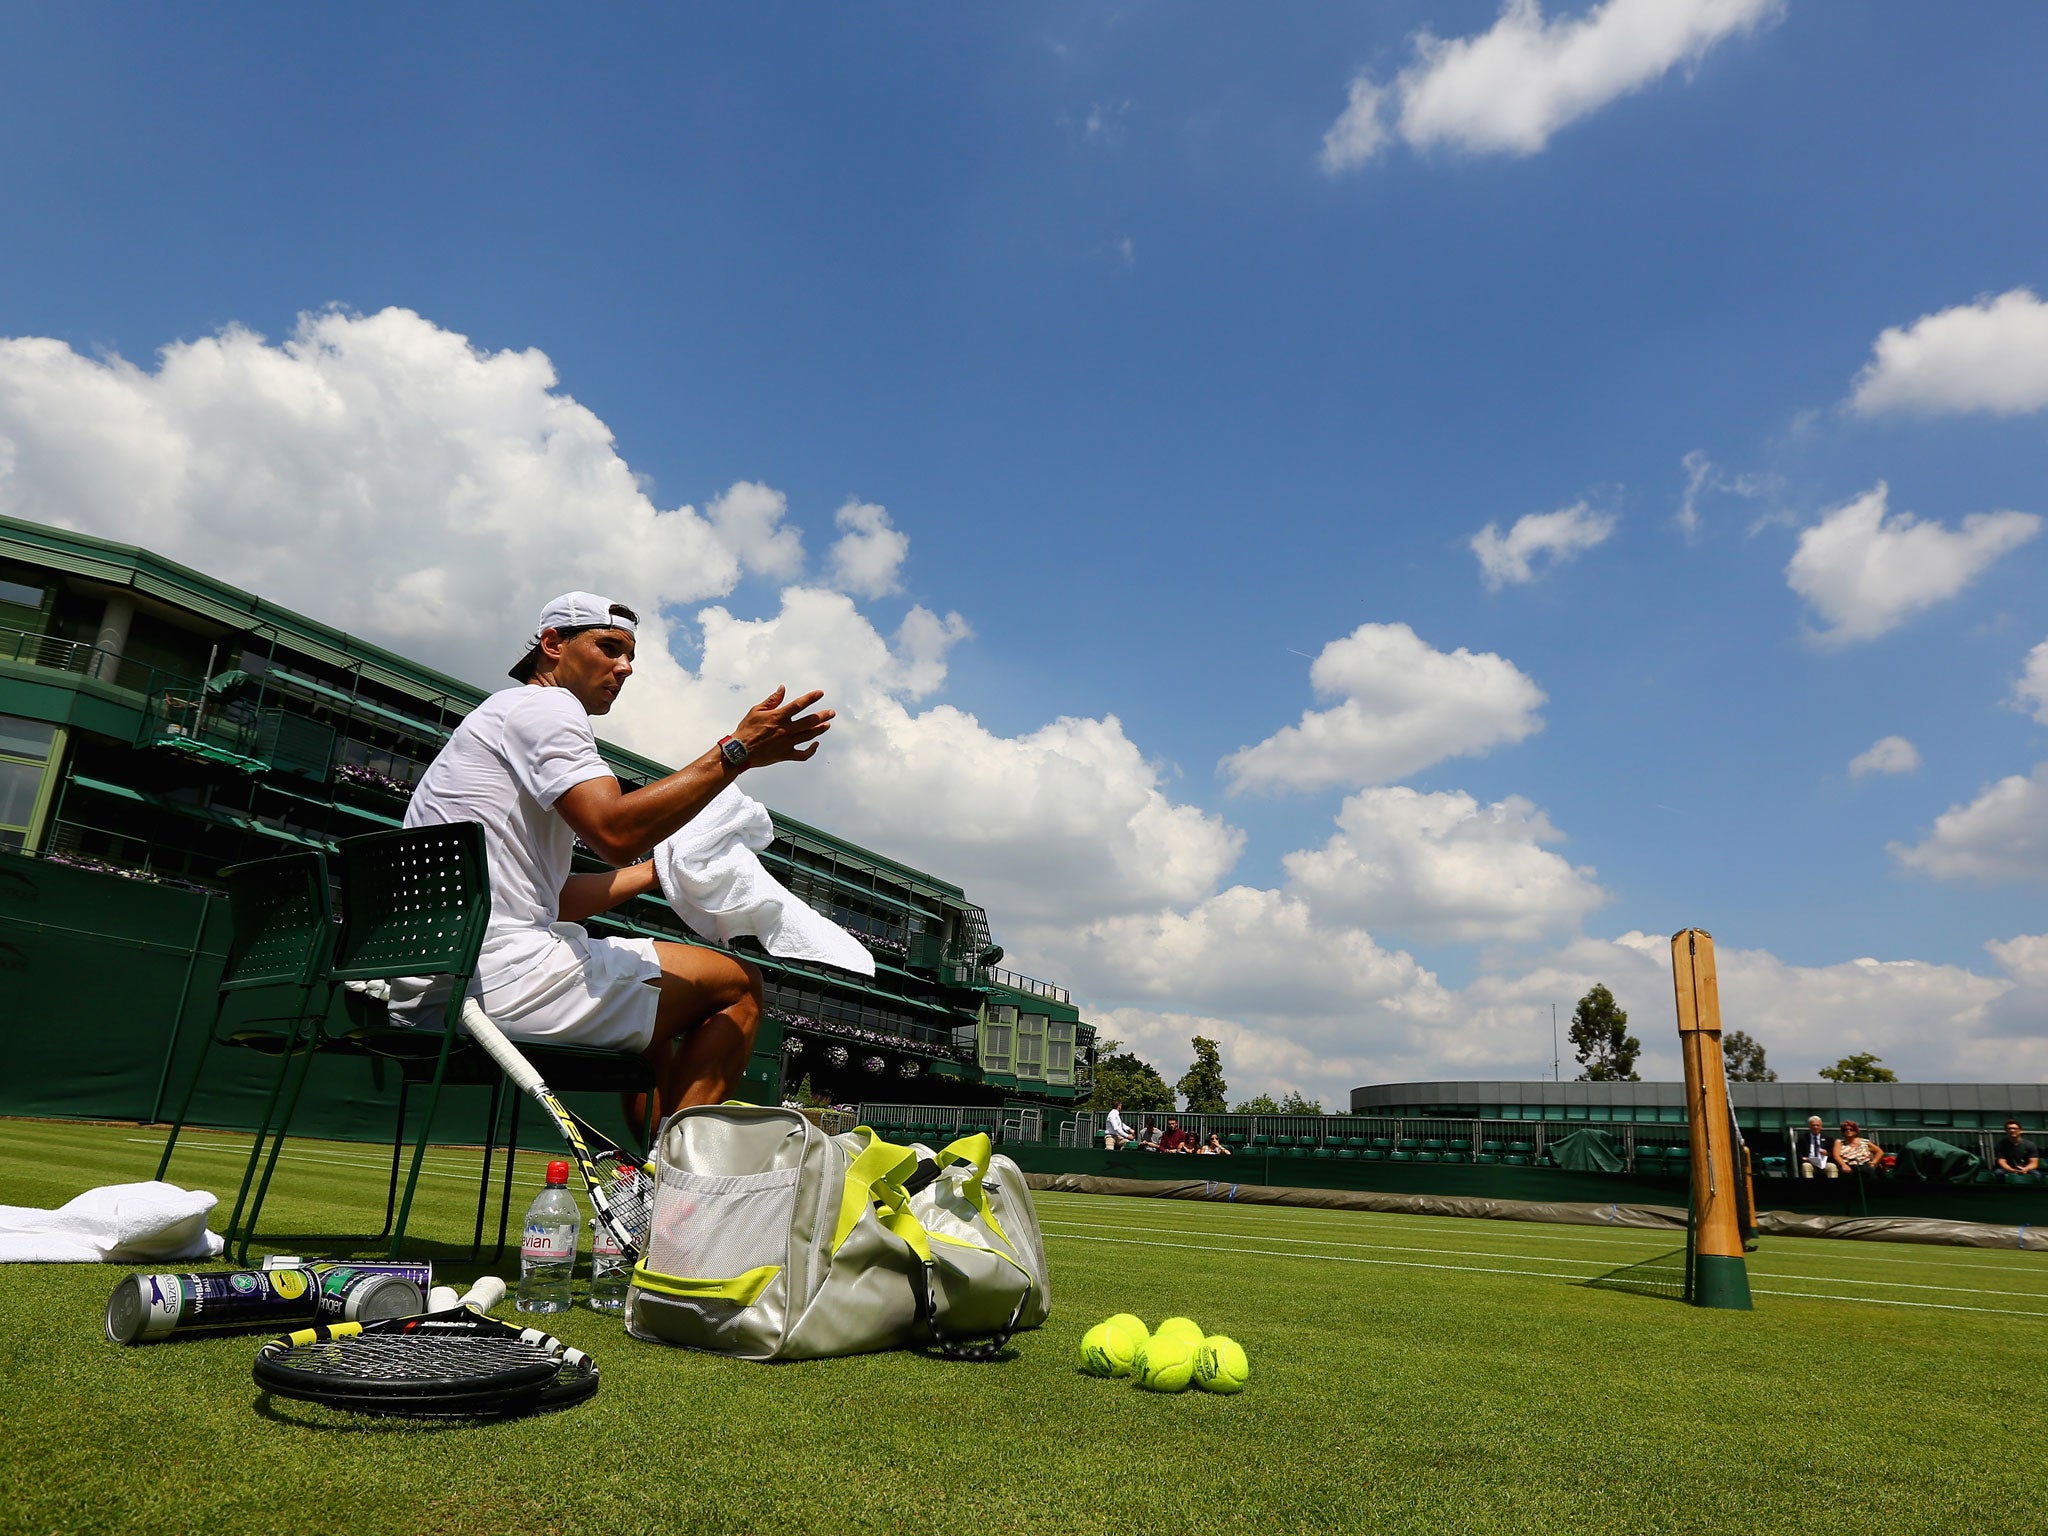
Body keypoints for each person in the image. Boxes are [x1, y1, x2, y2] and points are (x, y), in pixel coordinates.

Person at [398, 591, 833, 1127]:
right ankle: (676, 1185)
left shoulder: (500, 714)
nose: (624, 667)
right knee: (738, 984)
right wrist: (736, 752)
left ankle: (647, 1173)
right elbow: (615, 830)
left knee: (653, 999)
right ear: (552, 644)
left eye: (630, 657)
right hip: (489, 979)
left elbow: (553, 900)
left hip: (427, 979)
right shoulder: (548, 706)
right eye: (608, 647)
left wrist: (657, 871)